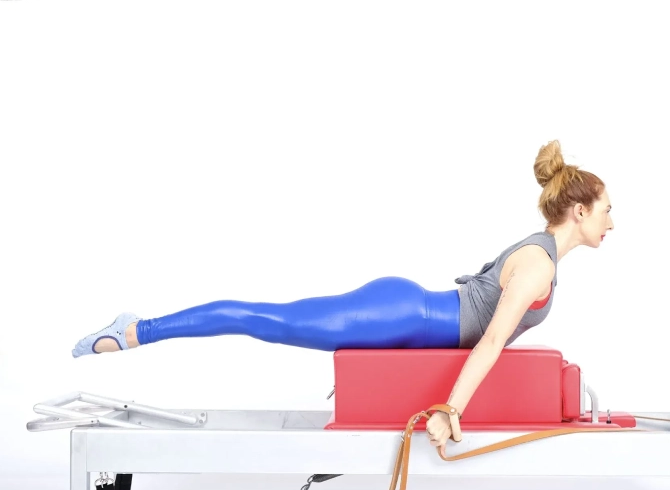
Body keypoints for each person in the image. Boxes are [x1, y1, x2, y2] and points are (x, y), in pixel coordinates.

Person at [71, 139, 614, 447]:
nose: (612, 221)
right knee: (270, 320)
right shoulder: (539, 263)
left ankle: (138, 329)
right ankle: (136, 330)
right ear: (580, 210)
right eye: (607, 209)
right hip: (398, 315)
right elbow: (491, 342)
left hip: (405, 313)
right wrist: (450, 409)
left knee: (272, 320)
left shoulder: (542, 255)